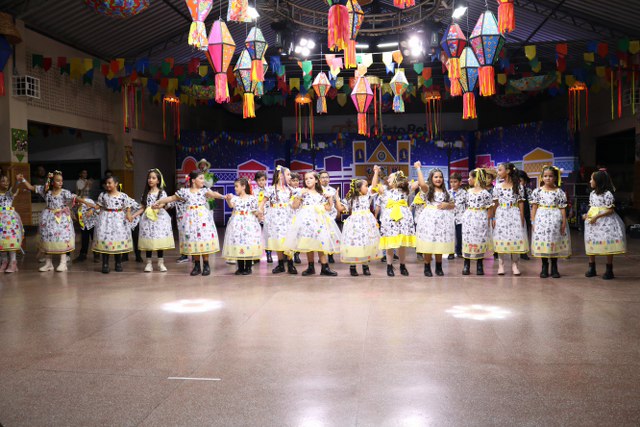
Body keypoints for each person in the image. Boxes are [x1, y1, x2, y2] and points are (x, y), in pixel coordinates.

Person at [153, 170, 225, 276]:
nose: (203, 180)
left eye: (203, 178)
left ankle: (206, 265)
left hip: (203, 219)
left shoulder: (204, 190)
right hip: (190, 220)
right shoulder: (185, 191)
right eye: (201, 178)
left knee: (203, 239)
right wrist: (159, 201)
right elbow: (172, 198)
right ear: (193, 180)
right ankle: (197, 266)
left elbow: (214, 194)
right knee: (193, 240)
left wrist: (224, 196)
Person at [18, 171, 77, 272]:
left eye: (61, 181)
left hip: (61, 219)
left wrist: (89, 204)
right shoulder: (46, 191)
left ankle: (63, 263)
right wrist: (22, 179)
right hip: (48, 218)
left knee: (61, 238)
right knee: (47, 238)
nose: (61, 182)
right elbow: (31, 187)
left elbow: (75, 198)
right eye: (58, 180)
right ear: (52, 182)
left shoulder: (65, 192)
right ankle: (48, 264)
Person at [284, 171, 340, 276]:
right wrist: (299, 195)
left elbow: (328, 208)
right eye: (306, 179)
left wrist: (330, 198)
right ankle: (311, 267)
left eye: (311, 178)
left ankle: (324, 267)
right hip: (306, 221)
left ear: (316, 180)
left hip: (319, 221)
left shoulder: (321, 192)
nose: (308, 180)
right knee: (308, 242)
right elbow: (295, 206)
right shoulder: (302, 192)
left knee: (320, 242)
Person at [82, 175, 136, 274]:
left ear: (116, 184)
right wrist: (92, 210)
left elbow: (128, 206)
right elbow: (98, 205)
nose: (107, 185)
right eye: (106, 183)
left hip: (119, 220)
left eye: (109, 183)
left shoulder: (123, 195)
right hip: (105, 220)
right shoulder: (103, 195)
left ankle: (118, 263)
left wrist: (128, 213)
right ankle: (105, 264)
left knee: (117, 239)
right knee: (105, 240)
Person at [414, 163, 456, 277]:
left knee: (439, 243)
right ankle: (427, 266)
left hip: (443, 221)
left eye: (440, 177)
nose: (438, 179)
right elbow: (422, 184)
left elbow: (453, 205)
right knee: (429, 243)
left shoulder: (446, 192)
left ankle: (438, 266)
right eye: (436, 177)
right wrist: (418, 169)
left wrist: (447, 205)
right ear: (431, 178)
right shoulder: (428, 189)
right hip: (430, 220)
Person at [583, 169, 626, 280]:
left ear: (598, 181)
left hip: (605, 222)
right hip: (593, 223)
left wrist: (597, 216)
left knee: (607, 242)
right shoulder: (592, 194)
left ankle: (609, 269)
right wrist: (587, 215)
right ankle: (592, 267)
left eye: (592, 179)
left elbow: (610, 210)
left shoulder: (607, 194)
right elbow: (592, 207)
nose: (590, 181)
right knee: (591, 241)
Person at [372, 166, 415, 277]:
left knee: (402, 245)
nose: (388, 179)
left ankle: (402, 265)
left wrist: (418, 169)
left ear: (397, 179)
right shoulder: (385, 191)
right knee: (389, 244)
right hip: (389, 221)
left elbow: (420, 183)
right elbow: (374, 186)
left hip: (403, 220)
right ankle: (389, 266)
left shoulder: (405, 190)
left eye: (390, 177)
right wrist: (376, 172)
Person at [530, 166, 571, 278]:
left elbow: (562, 208)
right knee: (543, 240)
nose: (548, 178)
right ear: (542, 177)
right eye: (545, 176)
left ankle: (554, 266)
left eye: (550, 176)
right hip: (541, 219)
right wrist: (533, 221)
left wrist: (563, 222)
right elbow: (534, 207)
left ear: (555, 178)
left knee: (554, 240)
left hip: (555, 219)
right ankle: (544, 266)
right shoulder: (537, 191)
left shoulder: (559, 192)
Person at [132, 169, 175, 273]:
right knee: (149, 240)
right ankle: (149, 263)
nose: (150, 180)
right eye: (149, 178)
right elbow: (143, 207)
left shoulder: (161, 192)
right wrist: (133, 215)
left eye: (153, 178)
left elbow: (164, 203)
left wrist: (159, 206)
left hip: (159, 219)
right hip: (147, 220)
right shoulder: (146, 193)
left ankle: (160, 262)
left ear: (158, 181)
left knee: (158, 239)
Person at [336, 178, 380, 276]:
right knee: (354, 243)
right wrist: (337, 198)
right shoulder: (350, 198)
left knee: (365, 243)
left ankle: (365, 266)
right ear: (359, 188)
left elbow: (374, 186)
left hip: (366, 224)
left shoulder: (368, 196)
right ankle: (352, 266)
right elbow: (340, 208)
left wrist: (376, 172)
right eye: (365, 186)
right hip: (354, 224)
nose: (368, 188)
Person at [491, 162, 528, 276]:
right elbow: (495, 203)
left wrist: (521, 216)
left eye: (500, 170)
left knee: (515, 238)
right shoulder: (498, 186)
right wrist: (494, 217)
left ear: (507, 171)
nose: (498, 172)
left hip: (514, 213)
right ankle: (501, 265)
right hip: (501, 213)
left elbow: (521, 203)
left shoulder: (518, 186)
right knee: (501, 238)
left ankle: (515, 265)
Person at [260, 166, 297, 274]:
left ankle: (290, 264)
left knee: (289, 240)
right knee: (278, 240)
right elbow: (262, 203)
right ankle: (281, 264)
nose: (290, 177)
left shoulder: (290, 190)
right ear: (281, 176)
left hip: (288, 217)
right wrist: (260, 212)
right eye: (288, 174)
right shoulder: (271, 189)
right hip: (275, 218)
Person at [223, 177, 263, 275]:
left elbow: (254, 211)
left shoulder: (252, 198)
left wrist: (259, 214)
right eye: (235, 186)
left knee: (248, 242)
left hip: (249, 223)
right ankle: (240, 267)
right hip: (237, 223)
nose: (235, 188)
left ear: (243, 187)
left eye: (237, 186)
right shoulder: (235, 198)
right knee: (238, 243)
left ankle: (248, 267)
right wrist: (228, 199)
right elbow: (231, 205)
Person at [461, 168, 494, 275]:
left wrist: (488, 220)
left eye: (470, 177)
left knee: (480, 239)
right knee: (468, 239)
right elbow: (465, 205)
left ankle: (480, 264)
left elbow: (490, 208)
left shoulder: (485, 193)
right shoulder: (468, 192)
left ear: (476, 179)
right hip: (469, 218)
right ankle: (466, 264)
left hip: (480, 218)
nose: (468, 179)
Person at [0, 175, 24, 273]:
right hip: (0, 221)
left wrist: (17, 182)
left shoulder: (9, 193)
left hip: (10, 220)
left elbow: (14, 189)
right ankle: (4, 261)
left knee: (11, 239)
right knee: (1, 240)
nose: (6, 183)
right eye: (3, 181)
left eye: (7, 181)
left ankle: (13, 262)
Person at [253, 170, 272, 264]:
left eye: (263, 180)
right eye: (259, 180)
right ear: (256, 181)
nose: (261, 182)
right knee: (256, 235)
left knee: (268, 235)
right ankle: (256, 255)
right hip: (257, 216)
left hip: (267, 215)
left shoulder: (269, 190)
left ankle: (269, 254)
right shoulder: (253, 192)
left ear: (266, 180)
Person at [319, 170, 338, 263]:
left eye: (326, 177)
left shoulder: (333, 190)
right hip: (320, 217)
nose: (325, 179)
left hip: (330, 216)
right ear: (319, 179)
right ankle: (322, 256)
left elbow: (336, 202)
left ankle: (331, 255)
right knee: (321, 236)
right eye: (323, 177)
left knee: (331, 235)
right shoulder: (317, 190)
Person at [448, 172, 467, 259]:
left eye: (455, 182)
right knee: (450, 235)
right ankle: (450, 252)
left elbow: (467, 205)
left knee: (460, 235)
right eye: (451, 182)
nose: (453, 184)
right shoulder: (448, 193)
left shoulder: (464, 193)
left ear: (460, 182)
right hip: (450, 217)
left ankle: (459, 251)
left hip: (461, 218)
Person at [518, 170, 532, 260]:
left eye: (521, 181)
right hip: (515, 214)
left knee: (525, 232)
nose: (519, 183)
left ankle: (523, 252)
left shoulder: (528, 191)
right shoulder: (514, 191)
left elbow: (532, 204)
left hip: (526, 214)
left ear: (525, 181)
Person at [289, 172, 302, 264]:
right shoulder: (287, 190)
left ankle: (297, 254)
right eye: (293, 180)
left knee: (298, 235)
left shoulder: (301, 191)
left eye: (297, 181)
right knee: (290, 235)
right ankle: (289, 254)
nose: (295, 182)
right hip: (289, 214)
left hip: (299, 214)